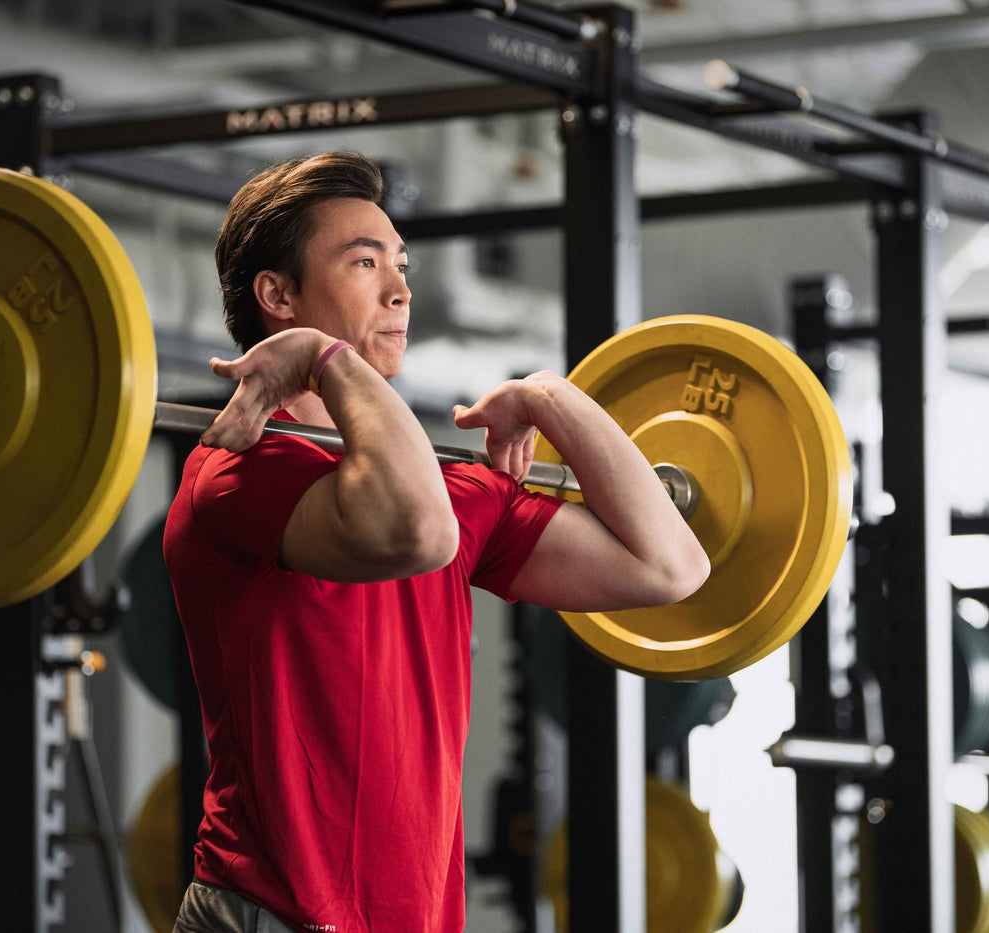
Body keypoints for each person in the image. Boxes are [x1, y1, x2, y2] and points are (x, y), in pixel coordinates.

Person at [163, 150, 709, 933]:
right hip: (274, 916)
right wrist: (327, 358)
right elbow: (413, 532)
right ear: (278, 294)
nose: (400, 289)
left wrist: (552, 398)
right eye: (364, 262)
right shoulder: (238, 474)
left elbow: (670, 564)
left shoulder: (450, 490)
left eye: (402, 263)